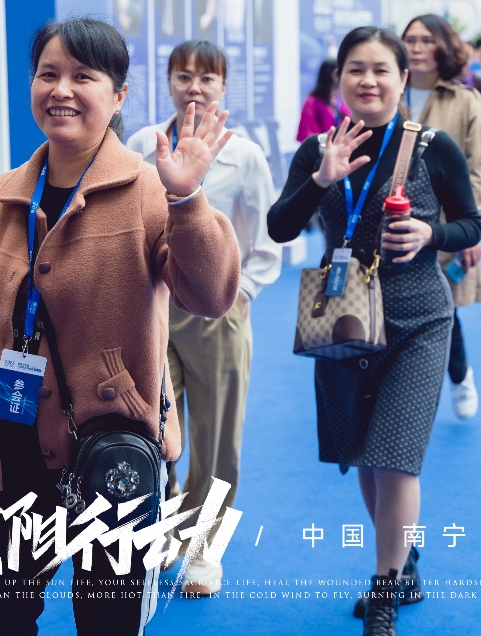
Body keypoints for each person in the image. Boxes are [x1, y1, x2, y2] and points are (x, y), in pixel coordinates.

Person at [0, 17, 240, 636]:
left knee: (108, 623)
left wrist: (186, 200)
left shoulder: (148, 191)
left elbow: (210, 296)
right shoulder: (1, 200)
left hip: (110, 455)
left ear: (118, 96)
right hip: (12, 453)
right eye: (48, 74)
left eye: (82, 76)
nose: (61, 90)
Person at [267, 26, 481, 636]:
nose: (368, 80)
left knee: (395, 458)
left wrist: (431, 234)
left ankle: (385, 589)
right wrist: (321, 180)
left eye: (381, 69)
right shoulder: (317, 150)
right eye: (355, 69)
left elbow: (471, 224)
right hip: (344, 318)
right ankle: (403, 563)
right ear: (339, 80)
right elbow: (280, 229)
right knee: (364, 453)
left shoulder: (434, 146)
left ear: (402, 78)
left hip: (419, 321)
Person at [126, 40, 281, 597]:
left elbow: (266, 242)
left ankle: (205, 548)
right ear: (168, 81)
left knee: (216, 440)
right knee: (151, 429)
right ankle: (166, 528)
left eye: (207, 78)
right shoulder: (143, 145)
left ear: (223, 87)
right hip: (154, 310)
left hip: (220, 316)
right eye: (184, 76)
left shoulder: (247, 155)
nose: (195, 87)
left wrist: (239, 295)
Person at [402, 15, 481, 422]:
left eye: (426, 40)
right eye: (409, 40)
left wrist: (468, 229)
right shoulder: (388, 90)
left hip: (443, 224)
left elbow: (480, 166)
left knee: (444, 307)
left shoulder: (464, 99)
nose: (416, 47)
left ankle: (459, 375)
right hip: (391, 222)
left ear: (444, 46)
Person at [298, 59, 341, 142]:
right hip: (321, 147)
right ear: (328, 74)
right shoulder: (312, 102)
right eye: (337, 72)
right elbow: (308, 133)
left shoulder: (341, 99)